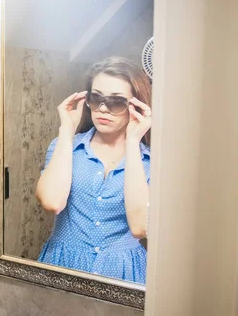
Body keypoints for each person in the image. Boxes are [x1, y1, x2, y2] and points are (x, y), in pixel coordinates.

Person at [36, 56, 152, 284]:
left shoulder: (149, 161)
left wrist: (132, 141)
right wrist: (67, 130)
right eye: (96, 98)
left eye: (116, 102)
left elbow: (140, 227)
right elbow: (51, 202)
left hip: (124, 271)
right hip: (64, 265)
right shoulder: (66, 147)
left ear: (135, 106)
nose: (102, 108)